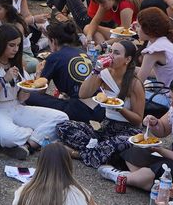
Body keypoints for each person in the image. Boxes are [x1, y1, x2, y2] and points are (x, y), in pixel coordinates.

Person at [0, 25, 66, 159]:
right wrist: (4, 80)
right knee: (8, 136)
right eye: (11, 45)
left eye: (18, 45)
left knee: (61, 118)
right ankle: (38, 137)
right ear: (0, 43)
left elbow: (21, 98)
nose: (16, 49)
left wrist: (32, 83)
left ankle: (29, 144)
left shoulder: (17, 63)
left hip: (16, 107)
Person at [56, 38, 145, 168]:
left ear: (128, 59)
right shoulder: (104, 74)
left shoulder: (135, 84)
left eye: (116, 53)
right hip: (106, 126)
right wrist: (96, 71)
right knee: (63, 126)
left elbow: (138, 120)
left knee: (122, 142)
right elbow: (83, 94)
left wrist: (119, 108)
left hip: (128, 131)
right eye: (110, 51)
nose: (111, 56)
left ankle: (79, 153)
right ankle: (99, 152)